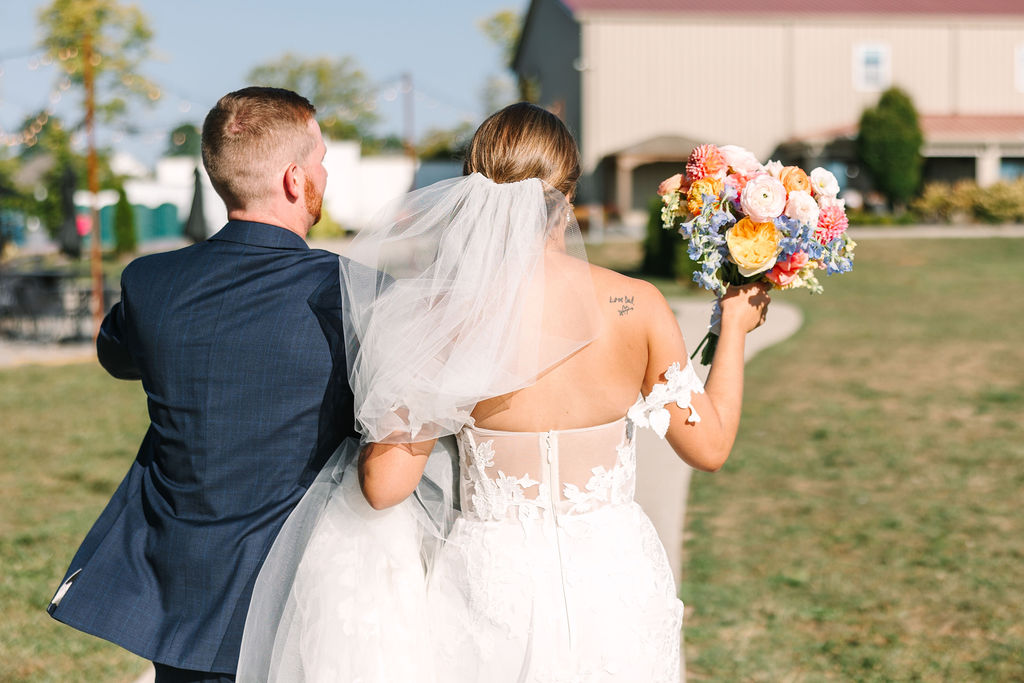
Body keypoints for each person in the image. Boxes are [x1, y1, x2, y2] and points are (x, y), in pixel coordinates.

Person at [237, 102, 770, 682]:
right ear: (567, 197)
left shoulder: (444, 318)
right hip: (611, 585)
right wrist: (734, 330)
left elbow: (385, 487)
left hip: (490, 588)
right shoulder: (635, 304)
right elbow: (709, 447)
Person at [47, 87, 357, 683]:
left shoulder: (150, 282)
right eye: (320, 158)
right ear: (295, 179)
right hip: (302, 583)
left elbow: (116, 357)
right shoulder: (351, 293)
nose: (324, 171)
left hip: (178, 586)